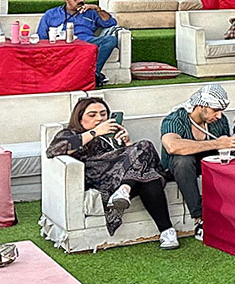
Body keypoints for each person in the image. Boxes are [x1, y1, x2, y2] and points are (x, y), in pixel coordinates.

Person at [49, 96, 177, 248]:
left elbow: (128, 160)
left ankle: (166, 232)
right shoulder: (71, 133)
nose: (99, 118)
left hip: (121, 177)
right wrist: (94, 132)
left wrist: (128, 144)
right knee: (145, 146)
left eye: (103, 114)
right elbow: (53, 150)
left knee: (149, 177)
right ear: (80, 117)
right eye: (92, 115)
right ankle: (125, 190)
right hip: (96, 177)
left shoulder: (111, 136)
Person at [160, 84, 235, 240]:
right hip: (178, 168)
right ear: (201, 106)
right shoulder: (175, 119)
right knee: (183, 160)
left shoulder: (219, 121)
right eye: (215, 110)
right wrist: (217, 143)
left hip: (209, 162)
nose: (219, 115)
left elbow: (224, 147)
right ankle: (200, 219)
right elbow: (172, 146)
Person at [40, 0, 120, 86]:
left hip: (86, 43)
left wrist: (97, 9)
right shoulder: (51, 14)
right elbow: (41, 36)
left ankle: (93, 73)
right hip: (63, 45)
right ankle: (93, 76)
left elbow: (110, 23)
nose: (81, 0)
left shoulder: (90, 12)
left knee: (111, 40)